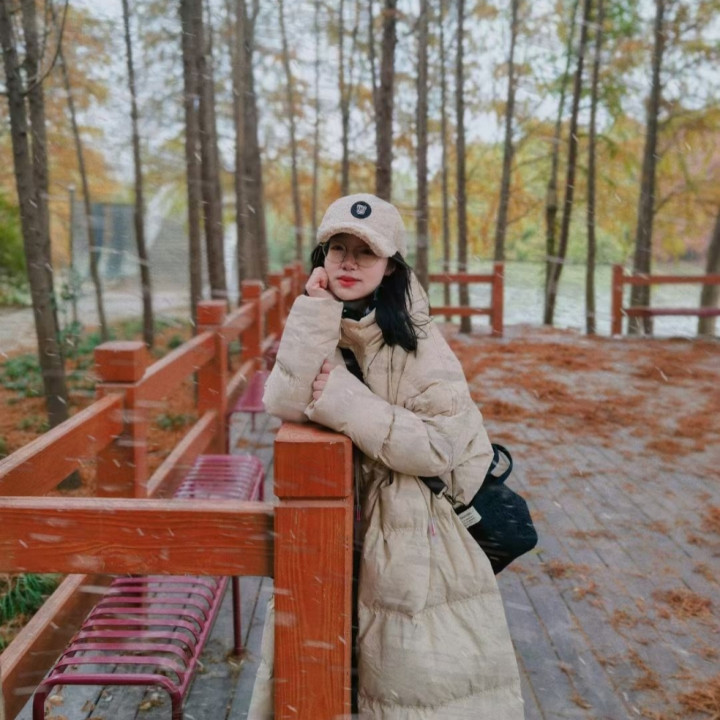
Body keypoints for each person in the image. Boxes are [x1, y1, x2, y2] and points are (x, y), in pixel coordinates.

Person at [256, 193, 524, 719]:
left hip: (414, 535)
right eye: (338, 249)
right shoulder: (324, 319)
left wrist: (345, 402)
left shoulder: (420, 342)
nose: (349, 263)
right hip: (343, 527)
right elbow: (283, 400)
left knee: (406, 687)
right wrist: (315, 308)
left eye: (366, 253)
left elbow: (439, 446)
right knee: (325, 670)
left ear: (391, 266)